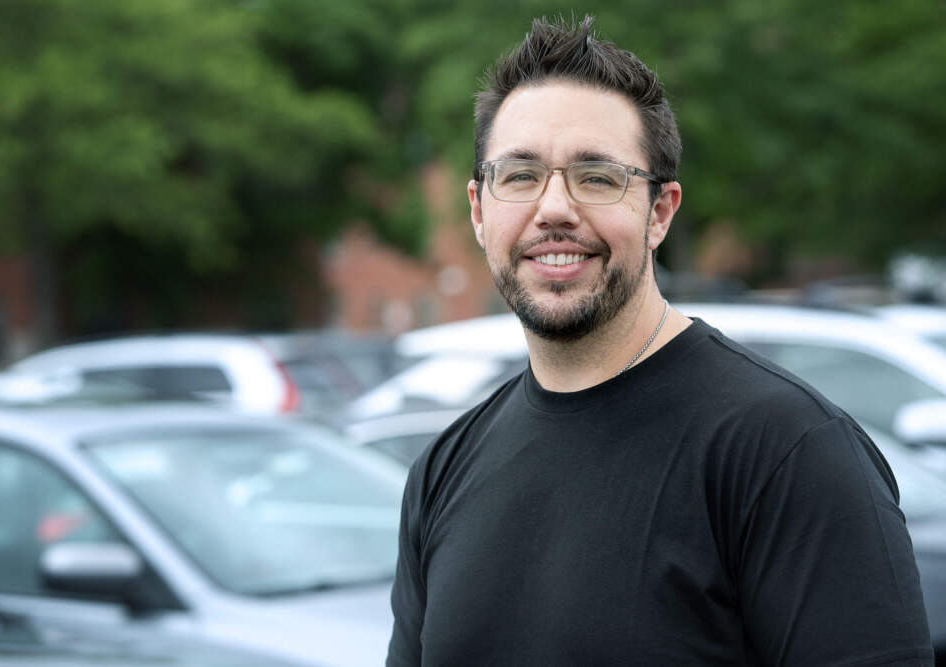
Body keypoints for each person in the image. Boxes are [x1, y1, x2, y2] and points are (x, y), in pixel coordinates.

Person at [386, 15, 934, 667]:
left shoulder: (790, 453)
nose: (554, 208)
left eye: (597, 176)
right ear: (480, 211)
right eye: (520, 175)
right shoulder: (442, 472)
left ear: (660, 212)